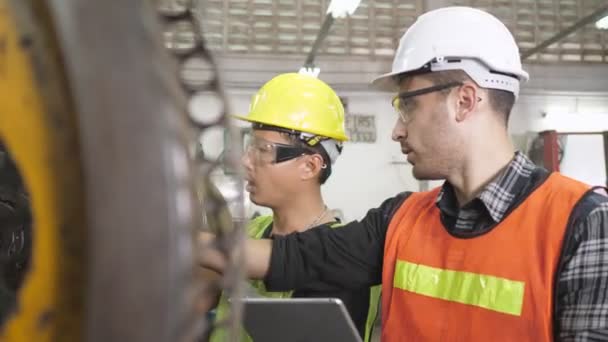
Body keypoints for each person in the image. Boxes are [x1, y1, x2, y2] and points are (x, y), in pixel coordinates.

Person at [199, 7, 608, 341]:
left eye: (407, 105)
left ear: (464, 101)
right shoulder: (402, 219)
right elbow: (300, 257)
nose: (396, 129)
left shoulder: (582, 222)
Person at [206, 73, 381, 342]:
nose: (245, 161)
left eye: (262, 150)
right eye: (249, 147)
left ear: (309, 166)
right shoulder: (249, 233)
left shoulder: (347, 260)